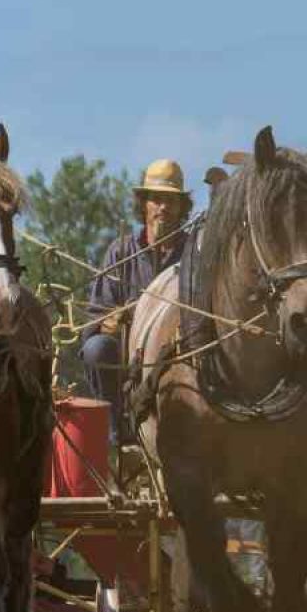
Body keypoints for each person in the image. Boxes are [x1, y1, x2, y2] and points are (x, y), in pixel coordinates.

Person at [80, 159, 193, 444]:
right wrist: (110, 322)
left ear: (182, 207)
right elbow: (94, 319)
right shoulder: (121, 252)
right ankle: (116, 429)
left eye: (171, 200)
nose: (163, 207)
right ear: (144, 204)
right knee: (95, 349)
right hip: (125, 357)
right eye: (156, 199)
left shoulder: (193, 254)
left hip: (178, 355)